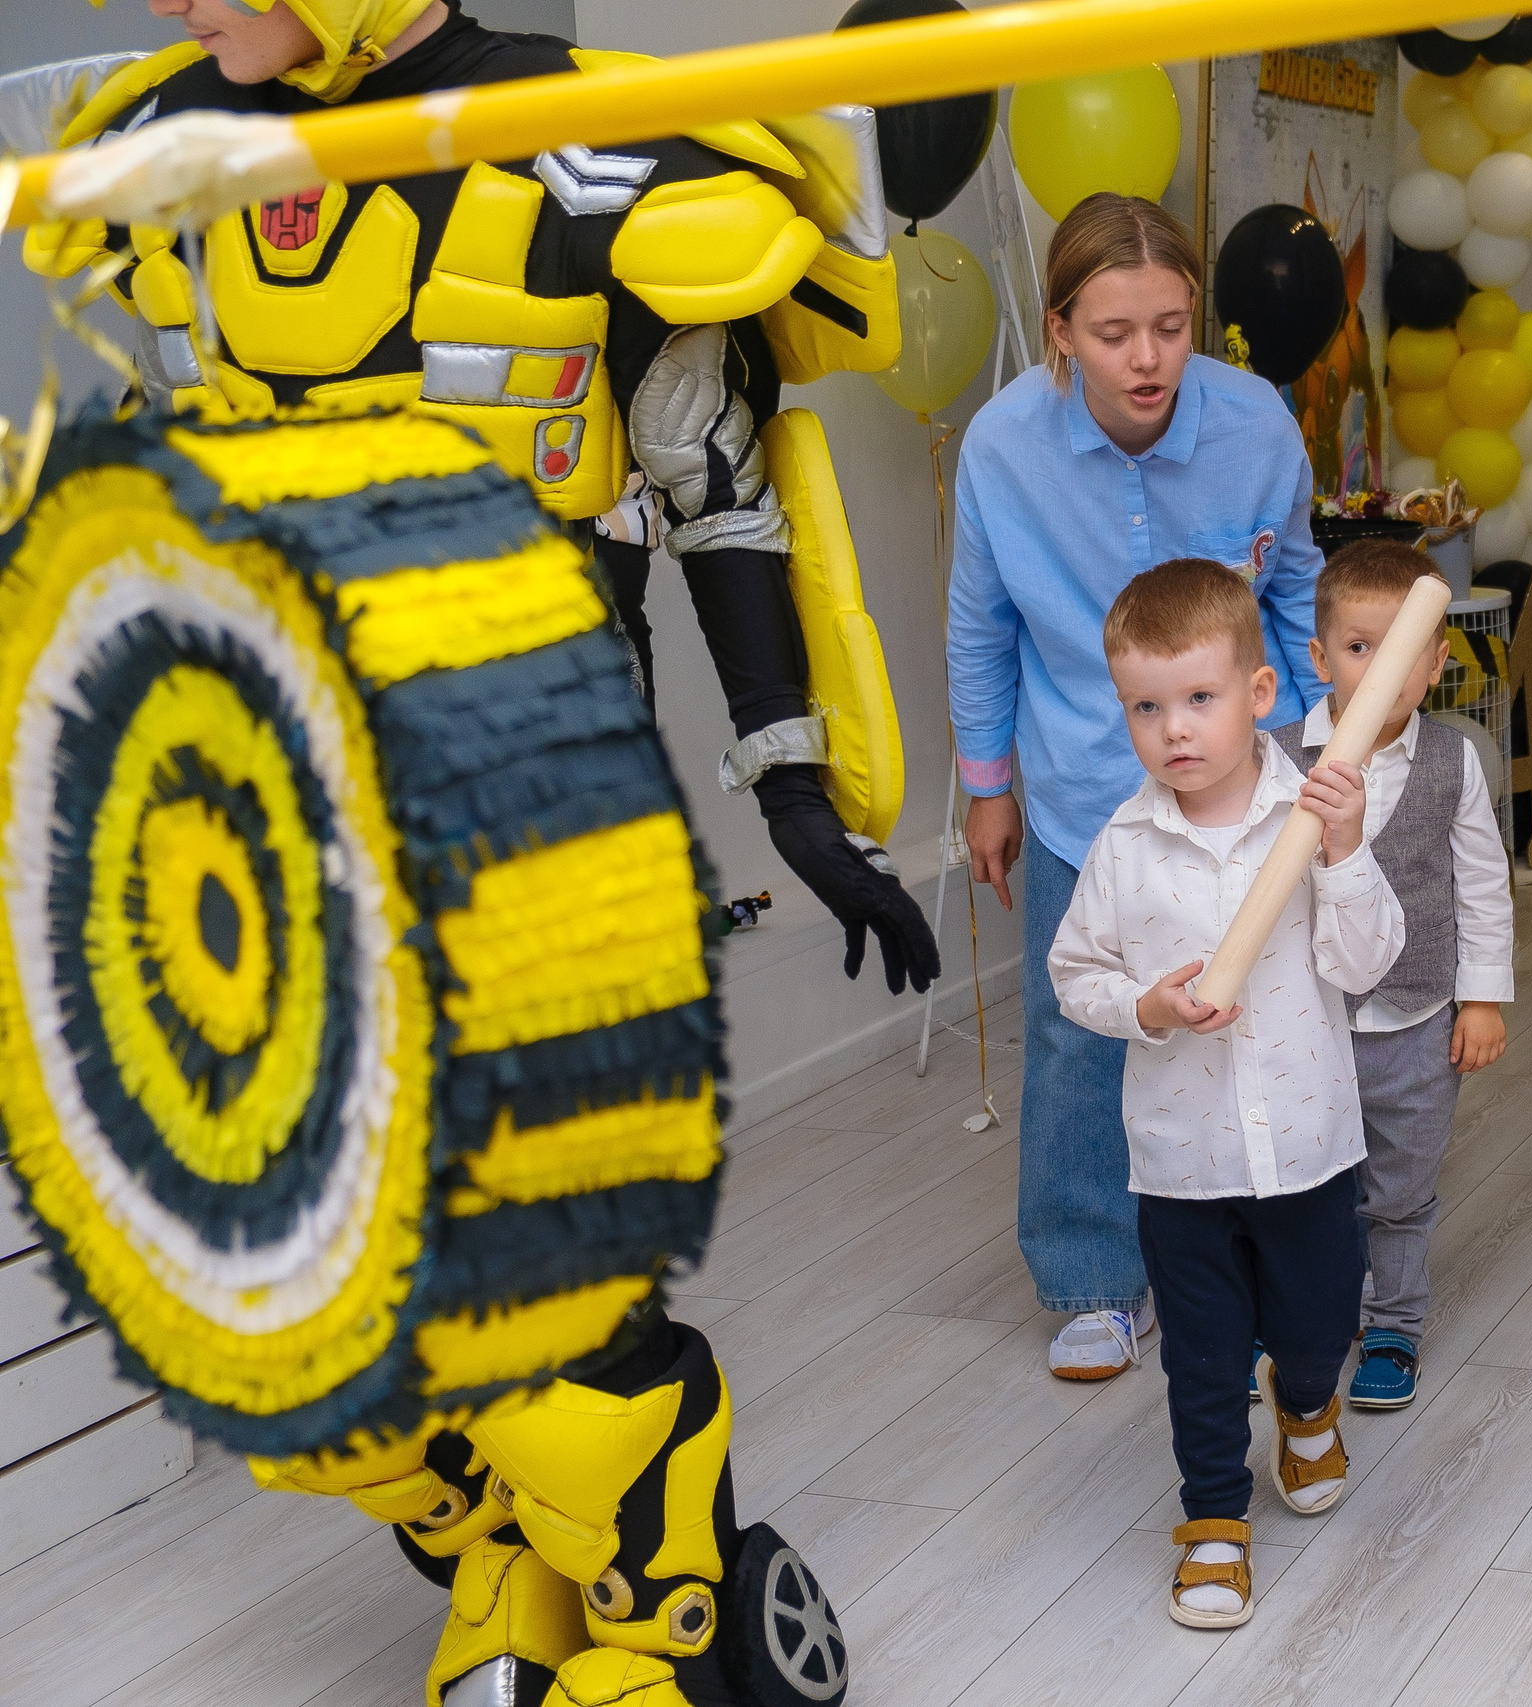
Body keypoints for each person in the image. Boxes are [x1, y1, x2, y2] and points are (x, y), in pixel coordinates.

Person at [23, 4, 929, 1703]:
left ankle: (662, 1618)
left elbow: (721, 491)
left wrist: (800, 792)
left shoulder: (593, 147)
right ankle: (506, 1566)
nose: (172, 7)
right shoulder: (159, 151)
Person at [948, 193, 1328, 1381]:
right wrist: (987, 786)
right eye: (1114, 334)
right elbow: (980, 627)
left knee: (1263, 1010)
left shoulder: (1255, 422)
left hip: (1243, 787)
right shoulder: (1002, 445)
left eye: (1170, 325)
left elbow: (1294, 589)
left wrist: (1322, 748)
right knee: (1079, 1033)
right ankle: (1093, 1279)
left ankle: (1273, 1259)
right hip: (1080, 783)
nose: (1148, 358)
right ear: (1061, 331)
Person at [1048, 559, 1402, 1629]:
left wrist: (1344, 851)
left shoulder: (1313, 814)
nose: (1175, 731)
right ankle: (1212, 1517)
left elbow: (1366, 960)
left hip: (1306, 1147)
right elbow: (1074, 975)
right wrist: (1145, 1007)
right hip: (1184, 1162)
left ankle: (1306, 1403)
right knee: (1203, 1359)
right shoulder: (1122, 848)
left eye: (1199, 698)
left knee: (1317, 1324)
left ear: (1258, 693)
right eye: (1146, 708)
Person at [1277, 540, 1513, 1412]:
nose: (1382, 669)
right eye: (1358, 647)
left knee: (1401, 1187)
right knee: (1311, 1182)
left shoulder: (1455, 760)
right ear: (1320, 657)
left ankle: (1394, 1322)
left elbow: (1482, 884)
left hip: (1417, 1019)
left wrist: (1481, 997)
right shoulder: (1277, 760)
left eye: (1405, 649)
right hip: (1311, 1021)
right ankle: (1309, 1312)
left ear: (1438, 662)